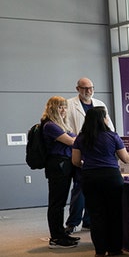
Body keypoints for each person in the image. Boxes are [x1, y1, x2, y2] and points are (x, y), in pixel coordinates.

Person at [72, 107, 129, 257]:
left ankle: (100, 251)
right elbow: (125, 158)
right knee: (114, 212)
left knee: (96, 213)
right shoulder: (112, 136)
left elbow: (75, 161)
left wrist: (87, 164)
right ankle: (114, 248)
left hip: (90, 177)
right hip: (111, 177)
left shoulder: (81, 138)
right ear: (103, 119)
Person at [65, 77, 111, 234]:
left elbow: (109, 126)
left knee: (94, 190)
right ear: (77, 89)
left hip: (98, 152)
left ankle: (88, 221)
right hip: (80, 149)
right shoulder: (69, 105)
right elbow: (67, 128)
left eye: (91, 88)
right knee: (79, 189)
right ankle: (73, 222)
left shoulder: (99, 104)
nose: (89, 91)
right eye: (85, 88)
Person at [41, 96, 81, 248]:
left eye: (65, 107)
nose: (63, 110)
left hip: (64, 164)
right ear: (52, 108)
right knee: (57, 203)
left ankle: (61, 233)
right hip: (58, 165)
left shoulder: (61, 125)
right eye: (60, 107)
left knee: (61, 201)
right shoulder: (50, 126)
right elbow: (72, 141)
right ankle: (56, 238)